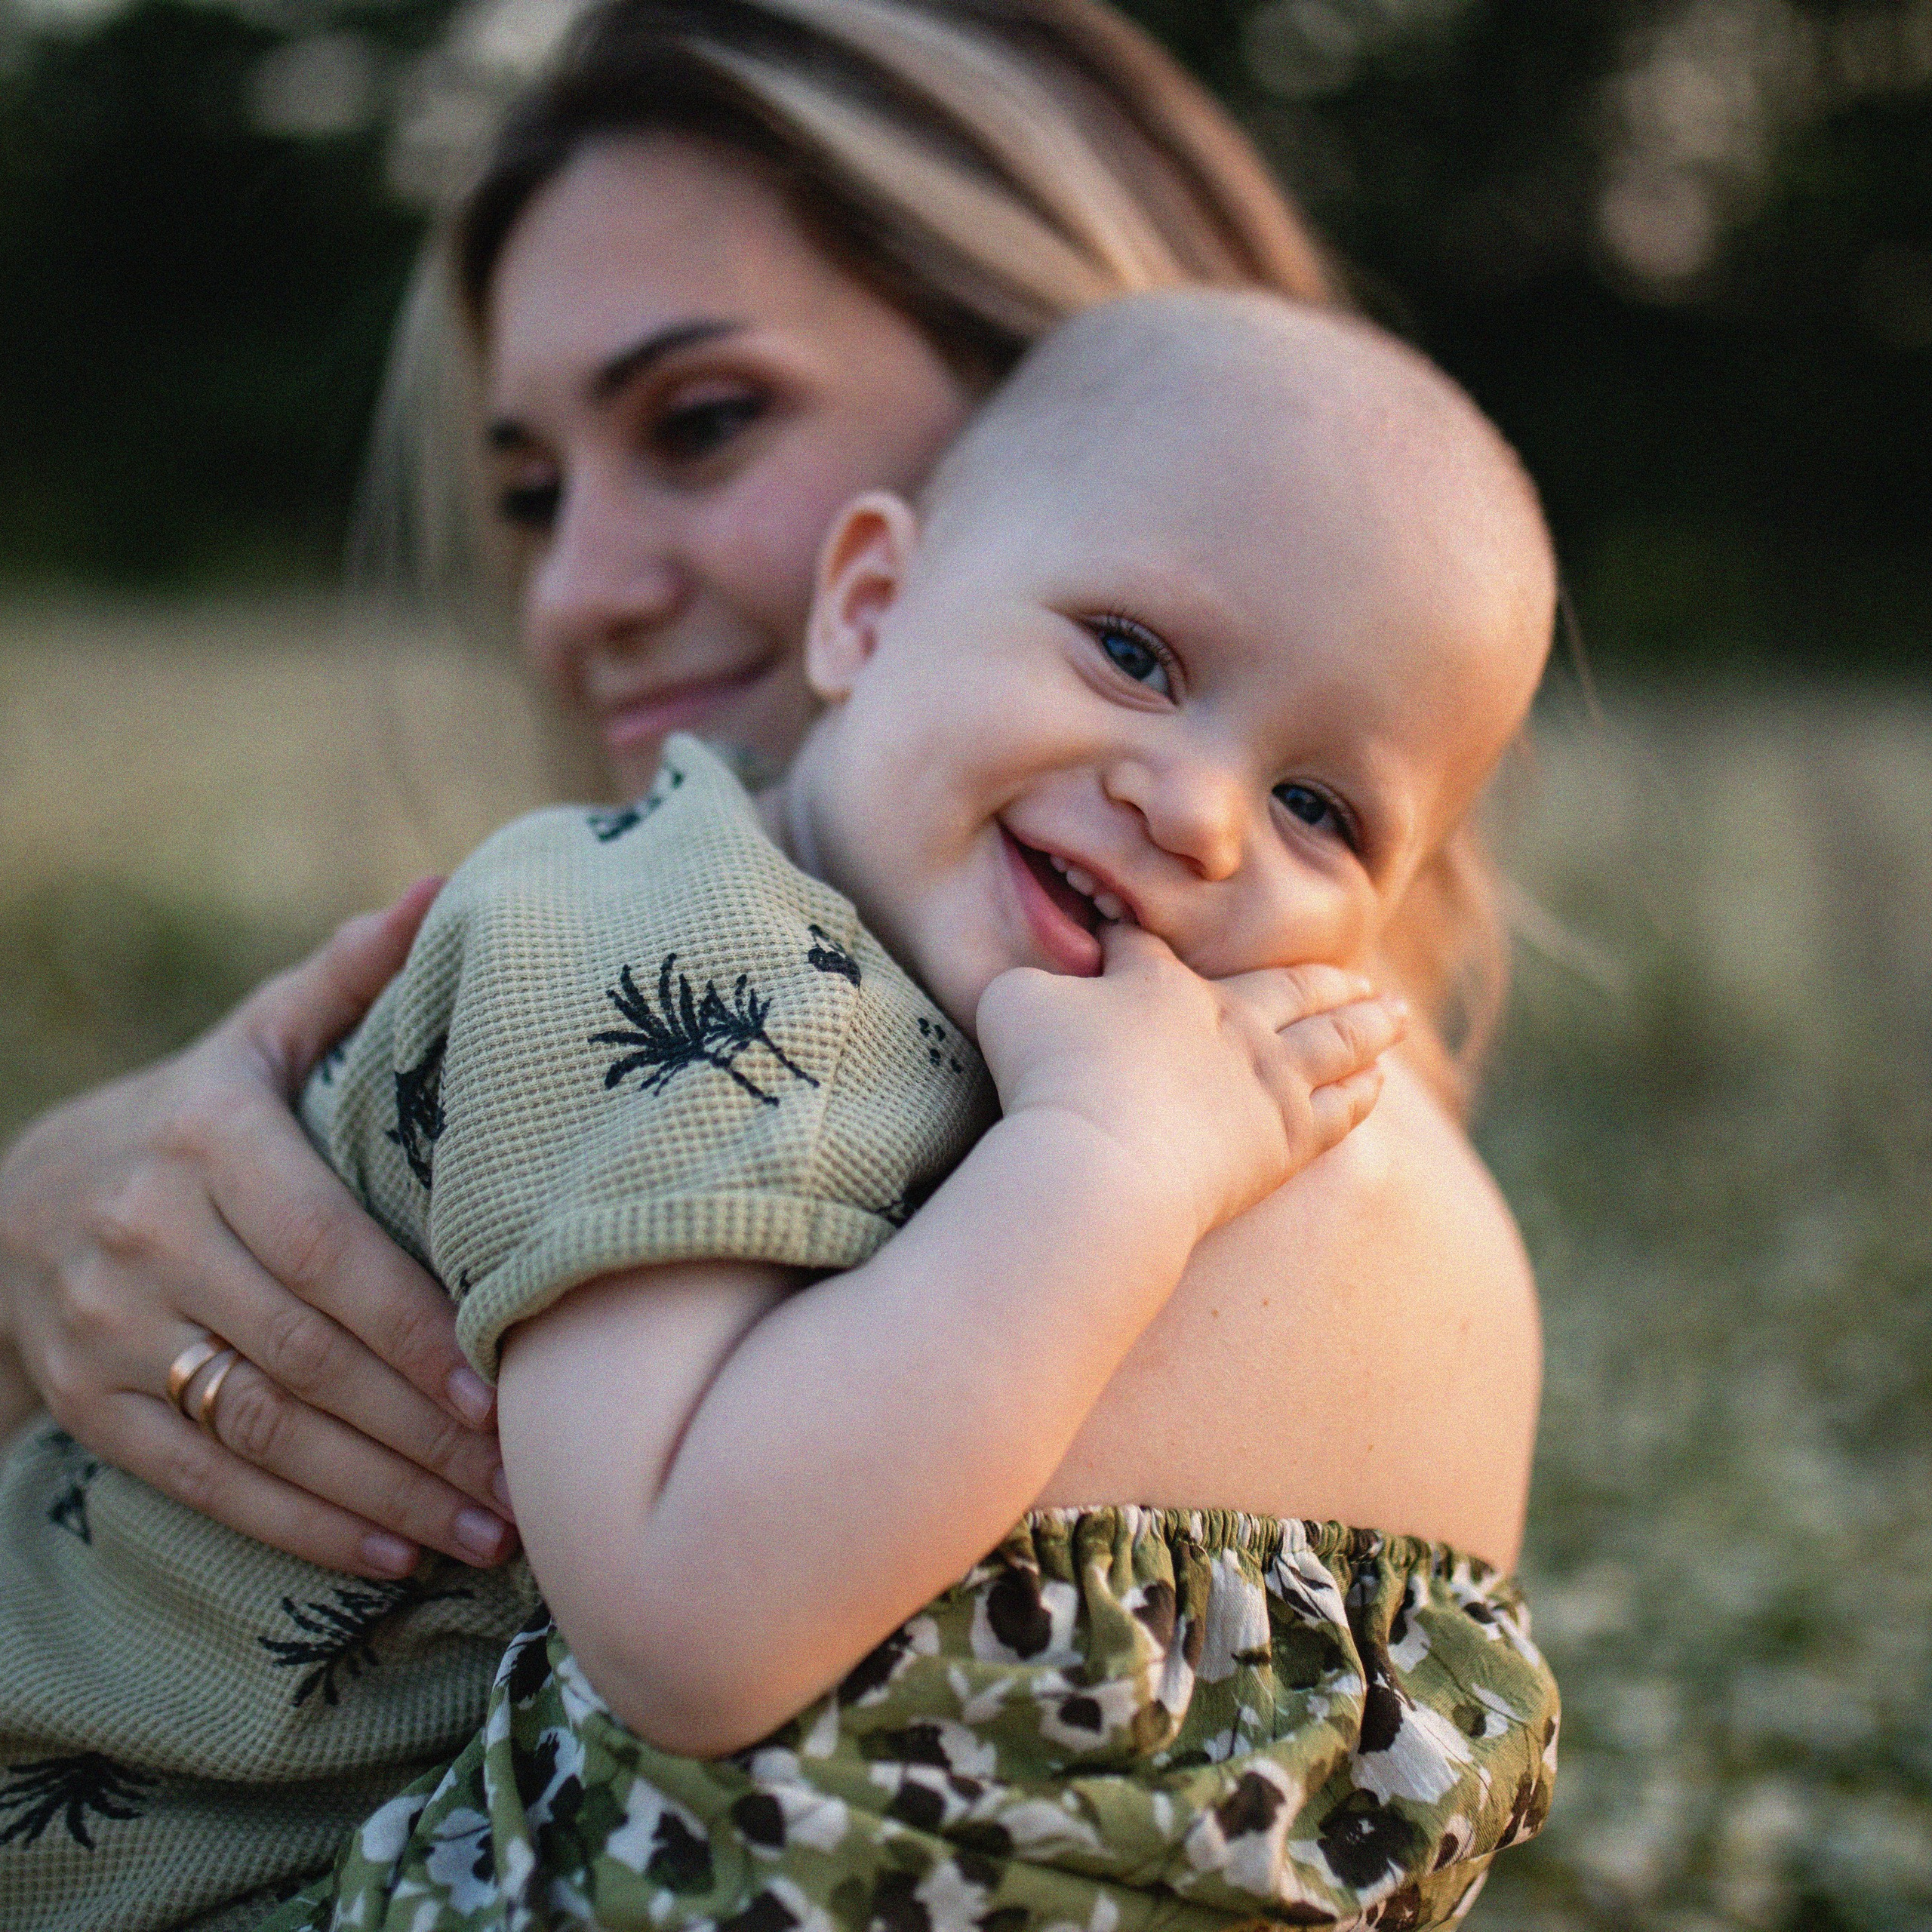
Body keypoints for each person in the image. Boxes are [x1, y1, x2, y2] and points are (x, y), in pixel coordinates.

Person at [0, 0, 1539, 1783]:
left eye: (704, 420)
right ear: (871, 594)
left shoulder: (1215, 1162)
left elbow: (691, 1647)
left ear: (1065, 363)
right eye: (530, 491)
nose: (571, 593)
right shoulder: (717, 953)